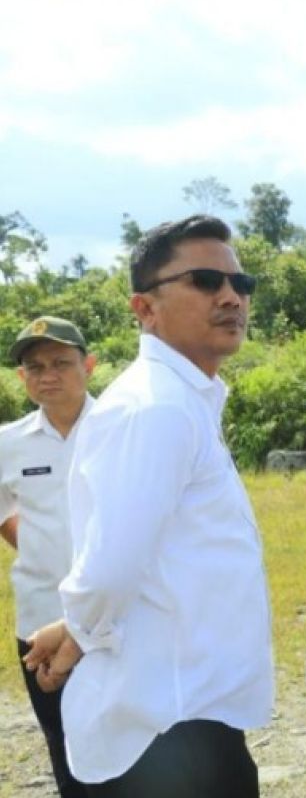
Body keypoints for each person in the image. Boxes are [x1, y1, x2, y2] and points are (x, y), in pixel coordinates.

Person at [23, 215, 274, 796]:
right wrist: (80, 634)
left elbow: (151, 553)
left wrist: (75, 623)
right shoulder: (155, 407)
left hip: (189, 711)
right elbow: (111, 567)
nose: (231, 296)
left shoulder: (184, 400)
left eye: (242, 284)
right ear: (145, 308)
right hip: (165, 730)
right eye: (206, 281)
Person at [0, 316, 94, 798]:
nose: (47, 375)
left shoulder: (117, 428)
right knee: (62, 741)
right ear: (22, 378)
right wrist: (39, 548)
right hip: (41, 617)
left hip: (112, 617)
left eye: (61, 362)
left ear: (89, 365)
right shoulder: (8, 441)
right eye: (34, 366)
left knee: (133, 739)